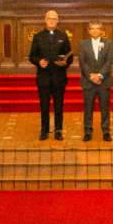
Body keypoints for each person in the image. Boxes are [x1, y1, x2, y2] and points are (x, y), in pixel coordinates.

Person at [29, 9, 73, 141]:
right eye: (49, 18)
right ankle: (44, 129)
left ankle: (58, 130)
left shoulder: (63, 36)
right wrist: (39, 61)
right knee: (44, 105)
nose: (52, 21)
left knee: (59, 106)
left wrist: (64, 63)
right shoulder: (38, 36)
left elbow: (70, 56)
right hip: (44, 78)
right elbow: (32, 56)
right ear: (45, 20)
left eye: (54, 19)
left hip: (59, 77)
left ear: (58, 21)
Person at [77, 21, 113, 141]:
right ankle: (88, 131)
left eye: (97, 28)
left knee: (105, 107)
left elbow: (109, 62)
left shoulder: (108, 44)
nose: (94, 30)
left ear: (101, 31)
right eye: (92, 28)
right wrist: (91, 76)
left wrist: (99, 75)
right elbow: (82, 62)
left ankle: (106, 131)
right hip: (88, 82)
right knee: (88, 108)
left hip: (104, 81)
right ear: (88, 31)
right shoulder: (83, 44)